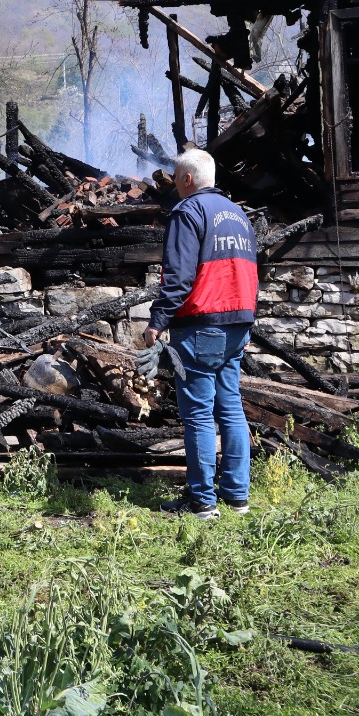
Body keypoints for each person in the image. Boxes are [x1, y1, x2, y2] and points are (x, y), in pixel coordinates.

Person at [141, 148, 258, 521]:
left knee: (198, 416)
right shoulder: (239, 215)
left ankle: (202, 502)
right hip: (238, 322)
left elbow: (178, 275)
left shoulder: (187, 212)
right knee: (232, 410)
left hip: (202, 324)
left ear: (187, 179)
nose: (174, 185)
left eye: (176, 178)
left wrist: (157, 320)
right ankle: (237, 498)